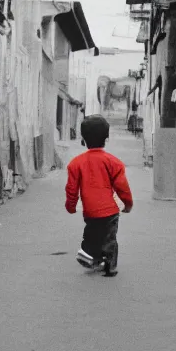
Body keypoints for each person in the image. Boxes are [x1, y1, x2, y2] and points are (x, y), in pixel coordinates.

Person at [65, 115, 133, 277]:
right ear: (106, 138)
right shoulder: (114, 162)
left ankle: (91, 254)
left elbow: (71, 189)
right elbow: (122, 188)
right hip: (110, 210)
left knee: (92, 234)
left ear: (84, 138)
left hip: (90, 211)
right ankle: (109, 264)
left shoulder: (76, 163)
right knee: (110, 237)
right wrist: (127, 204)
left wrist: (71, 206)